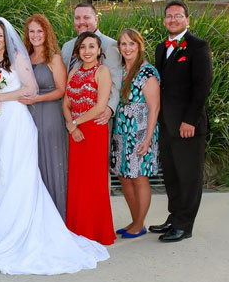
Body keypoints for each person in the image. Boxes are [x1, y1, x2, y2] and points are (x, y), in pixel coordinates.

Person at [0, 18, 109, 275]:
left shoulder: (18, 56)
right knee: (1, 171)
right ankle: (3, 225)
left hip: (17, 119)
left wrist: (1, 96)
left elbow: (29, 89)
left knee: (20, 172)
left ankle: (25, 225)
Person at [149, 0, 213, 242]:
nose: (173, 20)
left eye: (178, 15)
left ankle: (184, 226)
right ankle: (174, 217)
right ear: (164, 20)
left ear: (187, 20)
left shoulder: (198, 47)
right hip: (166, 123)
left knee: (188, 176)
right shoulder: (160, 47)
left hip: (188, 125)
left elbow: (202, 86)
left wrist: (190, 121)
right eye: (169, 16)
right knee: (172, 174)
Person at [63, 32, 116, 246]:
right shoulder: (73, 72)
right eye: (83, 47)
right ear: (78, 51)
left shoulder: (102, 71)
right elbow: (66, 103)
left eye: (91, 46)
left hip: (93, 131)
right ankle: (77, 228)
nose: (87, 51)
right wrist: (70, 124)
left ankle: (96, 231)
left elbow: (100, 107)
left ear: (99, 50)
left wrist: (75, 123)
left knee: (94, 182)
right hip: (75, 133)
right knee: (77, 182)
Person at [110, 29, 161, 239]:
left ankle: (140, 224)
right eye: (123, 44)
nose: (127, 48)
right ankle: (134, 220)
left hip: (140, 132)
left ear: (139, 45)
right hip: (121, 133)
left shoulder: (147, 72)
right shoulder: (119, 69)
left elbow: (154, 107)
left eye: (131, 43)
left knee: (139, 178)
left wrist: (148, 138)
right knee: (124, 177)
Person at [20, 13, 68, 220]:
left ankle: (56, 216)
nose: (35, 35)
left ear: (46, 33)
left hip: (49, 115)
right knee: (32, 163)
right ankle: (35, 216)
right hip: (26, 117)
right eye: (32, 31)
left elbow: (61, 90)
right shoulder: (24, 59)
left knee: (50, 161)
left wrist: (36, 100)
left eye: (39, 31)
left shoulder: (54, 58)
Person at [61, 3, 121, 128]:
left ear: (96, 19)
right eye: (77, 18)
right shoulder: (67, 47)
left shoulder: (109, 45)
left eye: (86, 17)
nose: (81, 22)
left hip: (97, 118)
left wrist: (109, 108)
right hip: (71, 119)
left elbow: (116, 81)